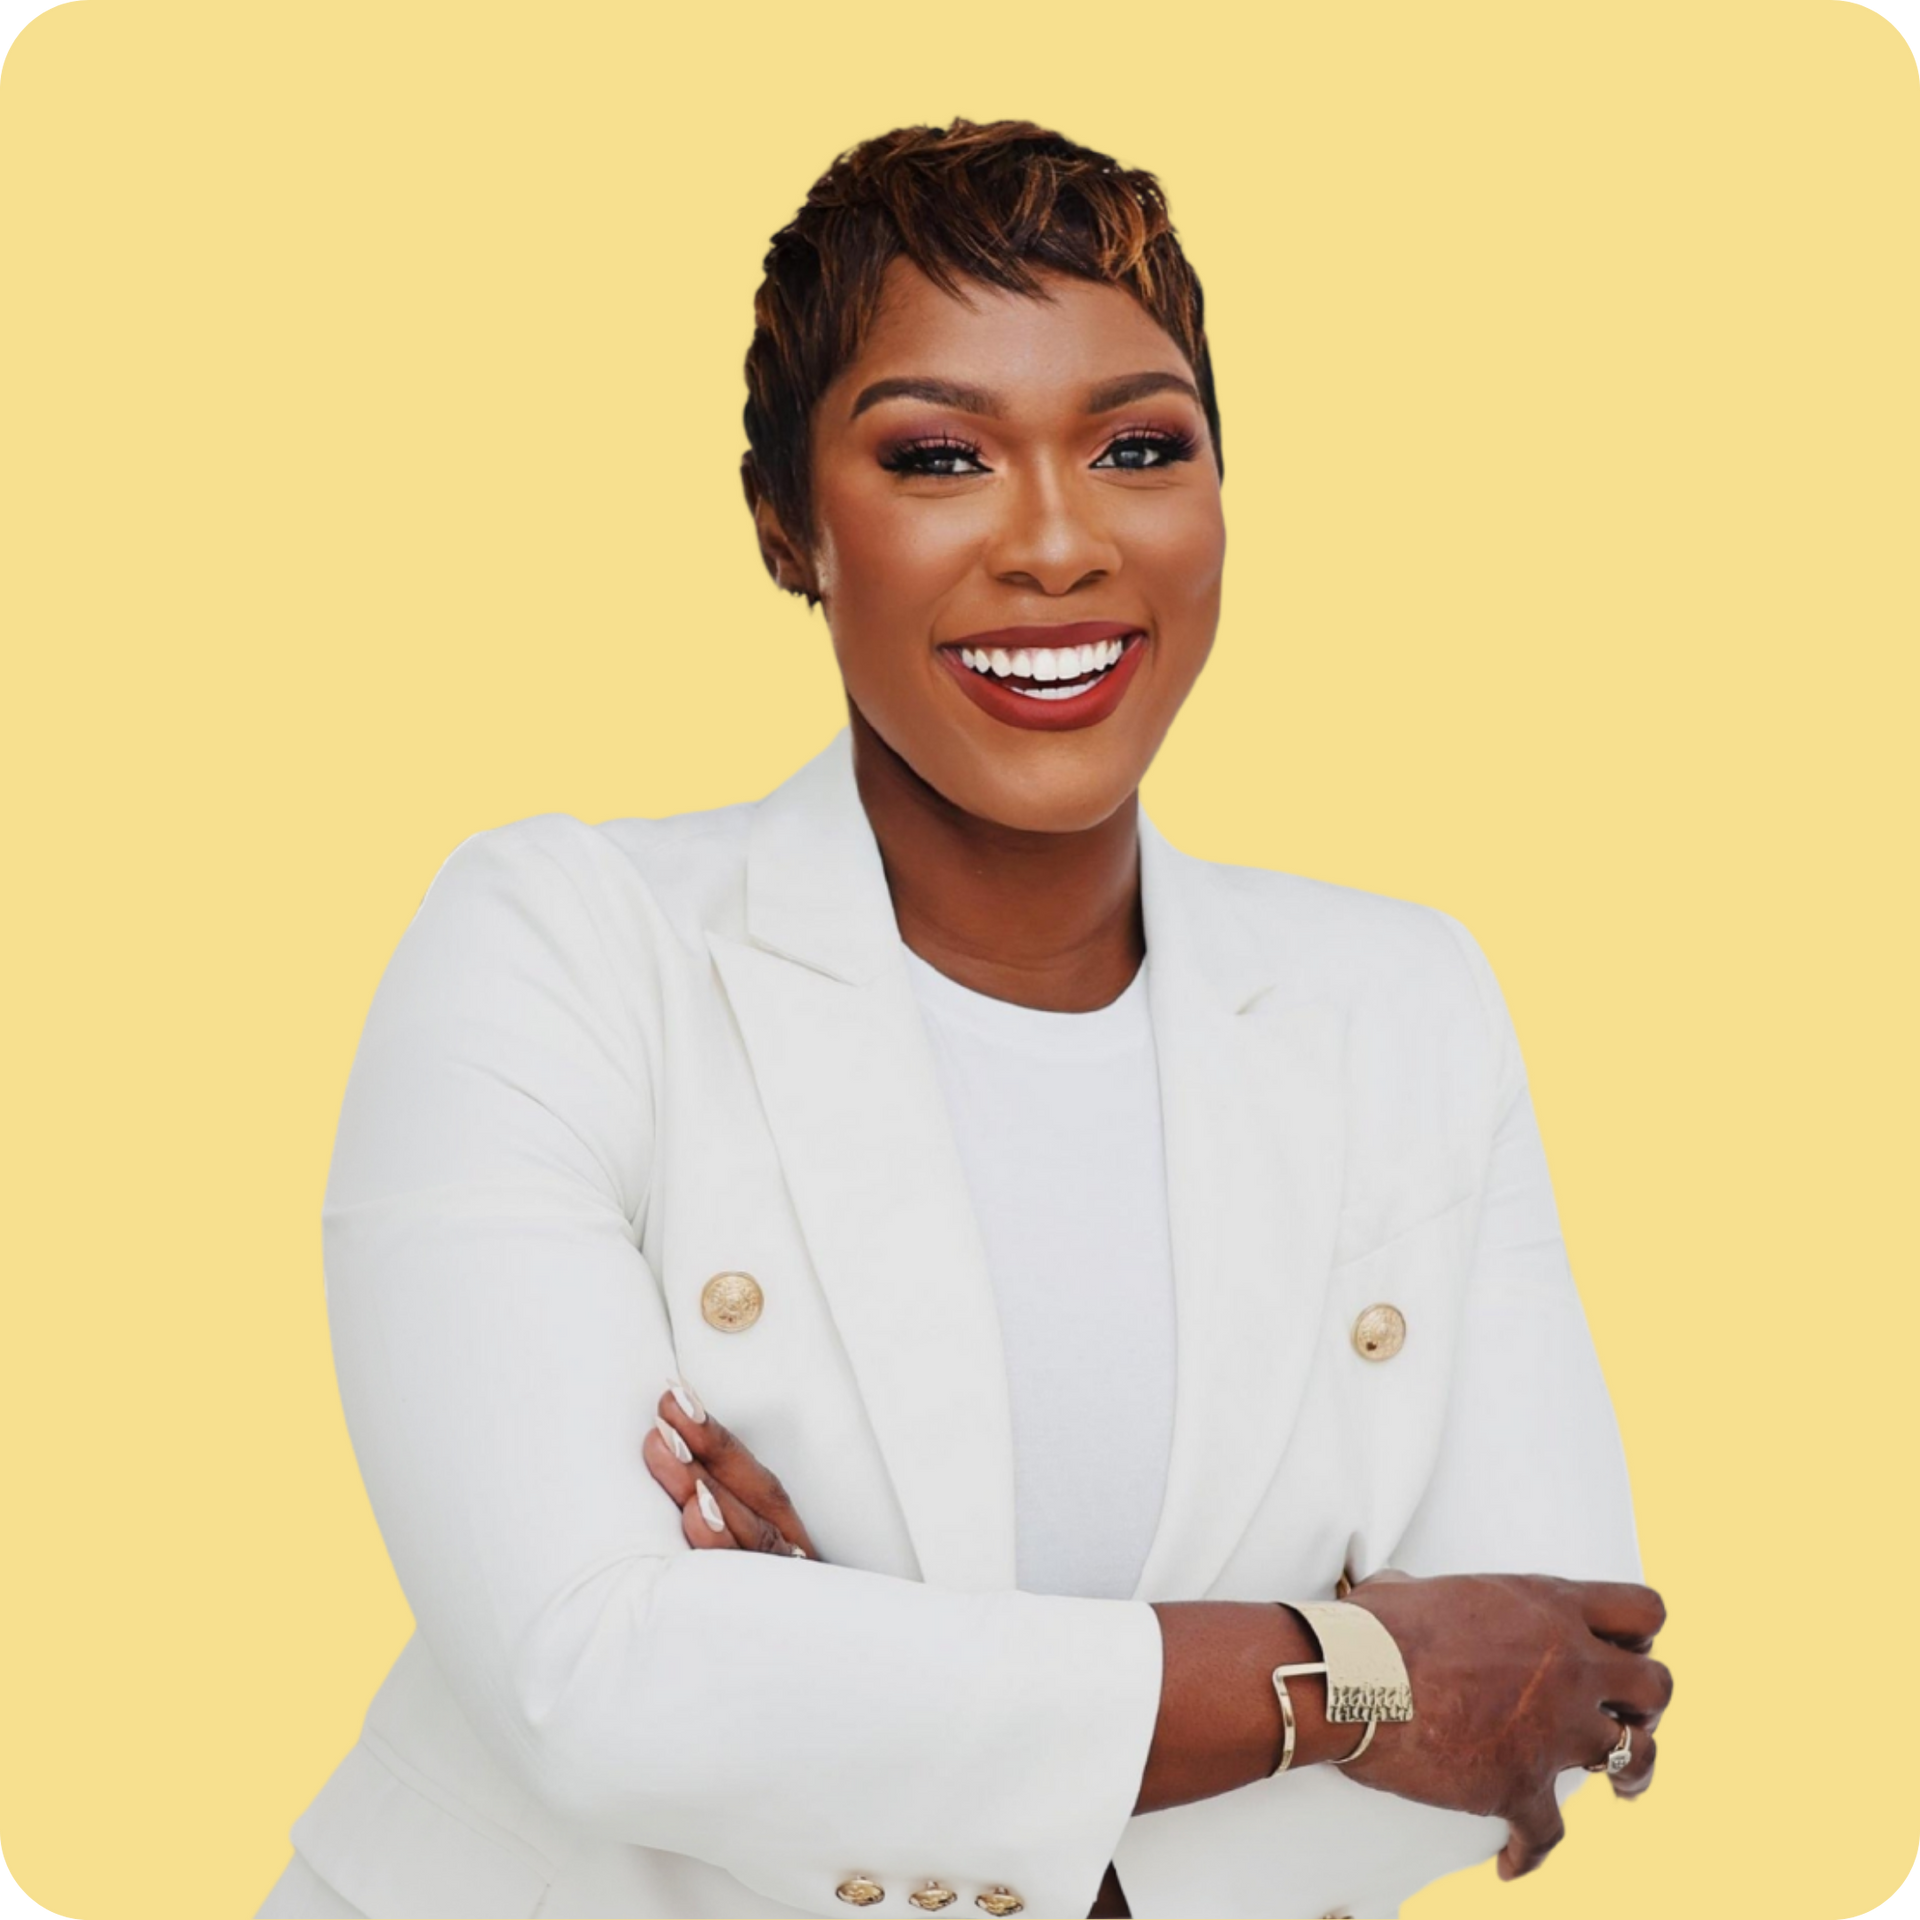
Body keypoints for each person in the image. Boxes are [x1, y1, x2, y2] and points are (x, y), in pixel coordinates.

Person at [258, 118, 1669, 1920]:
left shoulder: (1401, 1003)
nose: (1059, 543)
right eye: (939, 457)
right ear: (789, 523)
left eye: (1140, 445)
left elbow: (1545, 1689)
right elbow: (594, 1689)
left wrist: (847, 1670)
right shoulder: (562, 947)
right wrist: (1360, 1677)